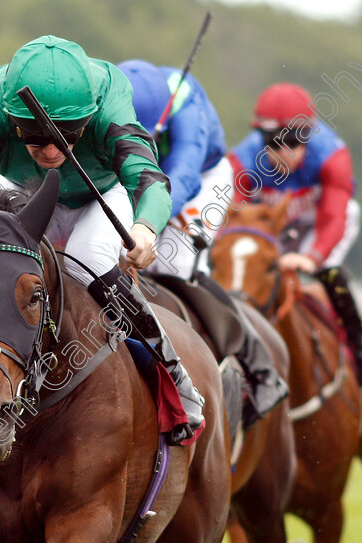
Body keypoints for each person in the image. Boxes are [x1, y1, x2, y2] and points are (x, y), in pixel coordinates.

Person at [0, 35, 205, 445]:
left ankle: (173, 371)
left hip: (100, 195)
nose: (50, 150)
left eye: (67, 135)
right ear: (12, 118)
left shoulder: (110, 93)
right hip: (23, 193)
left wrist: (145, 228)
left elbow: (147, 177)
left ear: (89, 117)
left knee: (91, 255)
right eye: (33, 136)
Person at [118, 60, 288, 423]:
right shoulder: (107, 98)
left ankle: (258, 367)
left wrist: (146, 224)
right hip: (143, 178)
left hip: (202, 179)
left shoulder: (186, 105)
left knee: (174, 264)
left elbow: (182, 174)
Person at [227, 82, 362, 386]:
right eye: (274, 142)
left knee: (329, 272)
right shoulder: (242, 162)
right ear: (260, 137)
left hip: (323, 223)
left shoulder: (332, 156)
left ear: (309, 134)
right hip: (274, 228)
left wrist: (312, 257)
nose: (285, 152)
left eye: (295, 140)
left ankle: (361, 346)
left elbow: (334, 217)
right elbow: (238, 228)